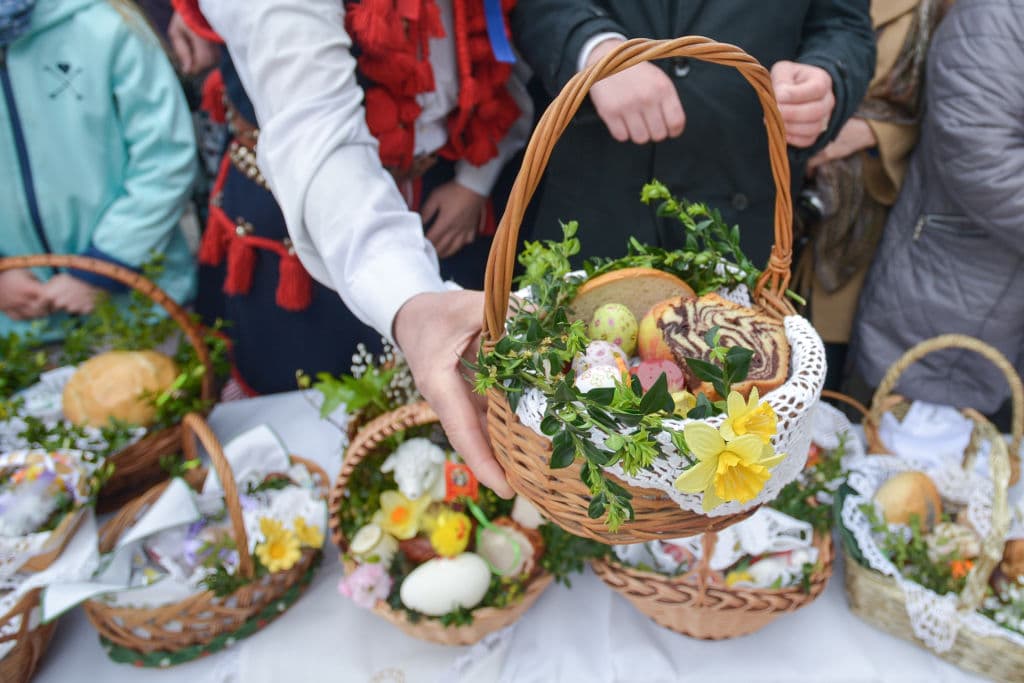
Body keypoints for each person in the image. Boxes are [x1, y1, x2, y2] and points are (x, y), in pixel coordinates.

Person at [173, 0, 532, 396]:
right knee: (318, 404)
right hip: (310, 217)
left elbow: (494, 51)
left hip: (446, 200)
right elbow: (316, 126)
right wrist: (414, 304)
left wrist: (475, 181)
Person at [509, 1, 876, 267]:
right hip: (596, 203)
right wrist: (592, 48)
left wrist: (826, 78)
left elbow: (843, 25)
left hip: (737, 209)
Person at [850, 0, 1024, 416]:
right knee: (926, 466)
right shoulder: (993, 17)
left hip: (995, 308)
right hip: (952, 303)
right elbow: (982, 162)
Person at [0, 0, 197, 339]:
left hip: (138, 311)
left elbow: (165, 156)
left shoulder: (105, 25)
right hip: (18, 330)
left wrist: (106, 265)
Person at [793, 0, 948, 390]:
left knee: (827, 362)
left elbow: (948, 112)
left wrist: (872, 133)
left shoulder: (938, 8)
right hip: (775, 185)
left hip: (860, 209)